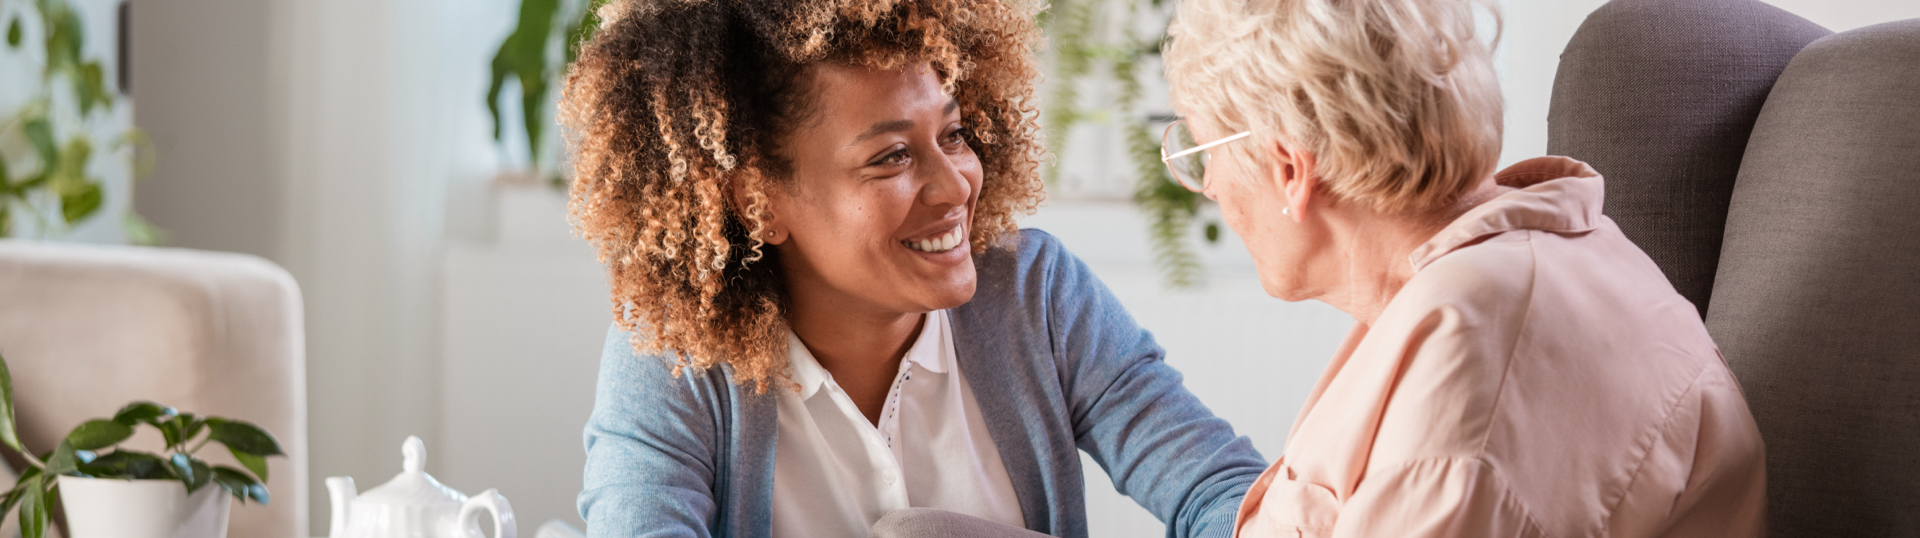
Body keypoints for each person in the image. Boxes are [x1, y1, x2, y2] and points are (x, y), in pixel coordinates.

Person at [561, 1, 1267, 536]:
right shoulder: (674, 358)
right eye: (890, 156)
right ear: (758, 200)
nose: (957, 183)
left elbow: (1225, 496)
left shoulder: (1037, 296)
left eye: (952, 135)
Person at [1158, 0, 1768, 536]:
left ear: (1290, 169)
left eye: (1200, 151)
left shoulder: (1471, 368)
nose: (1207, 185)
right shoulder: (1505, 268)